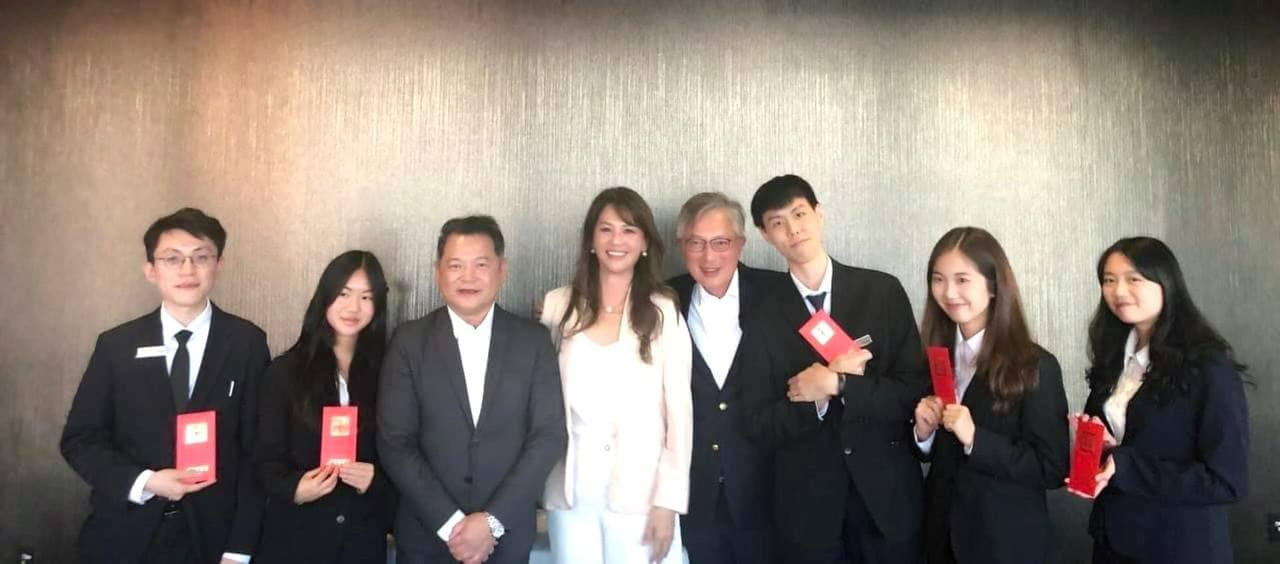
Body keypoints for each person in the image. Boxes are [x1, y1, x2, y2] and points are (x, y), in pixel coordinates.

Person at [60, 207, 269, 564]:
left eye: (200, 257)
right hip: (126, 534)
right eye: (172, 259)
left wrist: (239, 549)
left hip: (213, 538)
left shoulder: (246, 342)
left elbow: (257, 451)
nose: (188, 270)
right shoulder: (117, 345)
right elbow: (80, 440)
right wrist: (146, 481)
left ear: (219, 265)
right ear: (151, 270)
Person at [739, 174, 927, 564]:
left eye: (799, 214)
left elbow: (913, 389)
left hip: (886, 501)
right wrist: (816, 402)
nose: (793, 230)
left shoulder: (881, 292)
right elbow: (758, 422)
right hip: (808, 512)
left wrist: (837, 384)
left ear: (819, 214)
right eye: (778, 222)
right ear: (764, 234)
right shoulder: (760, 316)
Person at [378, 215, 567, 564]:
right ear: (438, 272)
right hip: (426, 538)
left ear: (501, 269)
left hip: (505, 539)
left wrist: (491, 522)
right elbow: (395, 442)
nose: (468, 277)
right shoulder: (409, 341)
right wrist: (453, 525)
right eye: (455, 266)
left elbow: (548, 435)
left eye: (481, 265)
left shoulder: (533, 341)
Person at [1069, 236, 1248, 564]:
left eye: (1133, 279)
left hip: (1179, 547)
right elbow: (1131, 444)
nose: (1119, 291)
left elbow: (1225, 481)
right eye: (1109, 280)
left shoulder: (1208, 366)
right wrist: (1101, 445)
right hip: (1113, 540)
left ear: (1166, 283)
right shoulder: (1114, 357)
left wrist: (1125, 466)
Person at [540, 186, 693, 564]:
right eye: (606, 229)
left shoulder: (663, 310)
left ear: (645, 243)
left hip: (642, 493)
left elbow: (680, 415)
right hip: (571, 491)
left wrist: (668, 502)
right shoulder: (557, 305)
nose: (616, 240)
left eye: (628, 230)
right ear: (591, 240)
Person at [911, 227, 1068, 564]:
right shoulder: (933, 357)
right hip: (940, 540)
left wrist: (975, 439)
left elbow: (1052, 467)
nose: (949, 292)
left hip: (1005, 546)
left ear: (994, 286)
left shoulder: (1034, 365)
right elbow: (935, 455)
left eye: (962, 280)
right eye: (938, 280)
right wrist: (923, 434)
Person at [666, 192, 784, 564]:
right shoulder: (663, 300)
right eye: (695, 243)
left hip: (767, 488)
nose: (708, 256)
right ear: (681, 246)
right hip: (694, 492)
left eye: (721, 243)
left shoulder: (778, 294)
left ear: (740, 244)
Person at [255, 250, 395, 563]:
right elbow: (264, 459)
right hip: (296, 538)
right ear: (325, 296)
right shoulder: (285, 372)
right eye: (344, 293)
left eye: (366, 297)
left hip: (361, 542)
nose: (353, 307)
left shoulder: (387, 373)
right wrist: (294, 488)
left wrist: (375, 480)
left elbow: (403, 453)